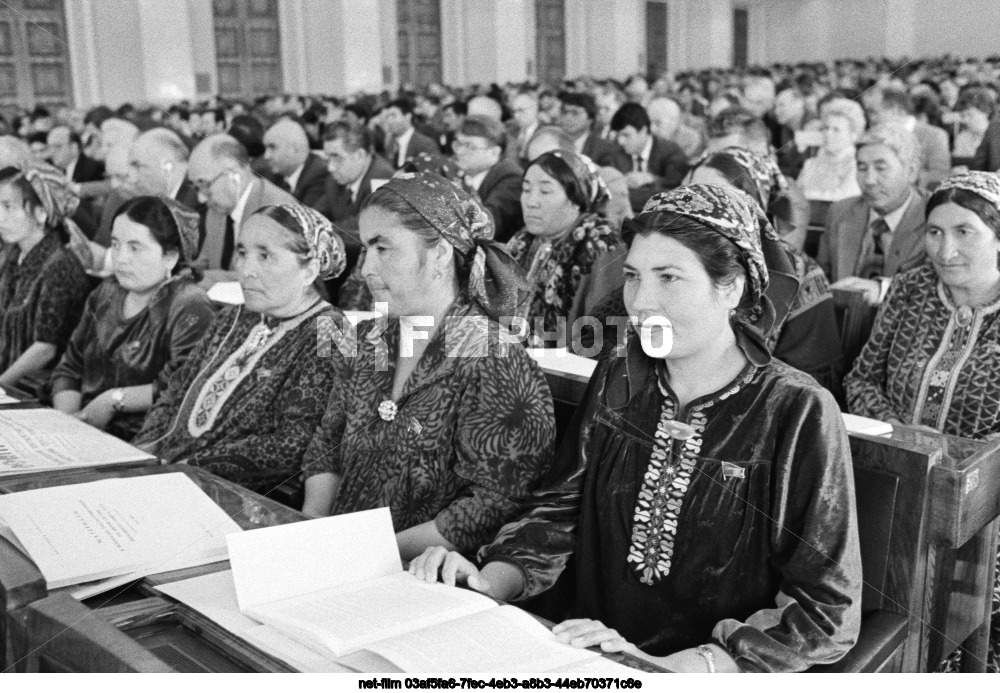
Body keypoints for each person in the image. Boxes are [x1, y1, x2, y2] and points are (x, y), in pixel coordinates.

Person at [410, 183, 862, 673]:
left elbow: (826, 608)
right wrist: (488, 582)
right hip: (577, 654)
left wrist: (683, 666)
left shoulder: (795, 409)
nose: (641, 301)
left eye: (669, 278)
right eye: (632, 276)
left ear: (731, 287)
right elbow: (558, 510)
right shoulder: (621, 371)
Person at [302, 170, 555, 558]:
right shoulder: (369, 338)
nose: (366, 268)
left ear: (439, 254)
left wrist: (368, 553)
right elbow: (328, 442)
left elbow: (490, 505)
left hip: (424, 578)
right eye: (365, 249)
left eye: (382, 249)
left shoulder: (494, 360)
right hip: (337, 557)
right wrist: (313, 529)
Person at [845, 171, 1000, 673]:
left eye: (964, 232)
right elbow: (862, 379)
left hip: (987, 504)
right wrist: (906, 439)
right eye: (934, 232)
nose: (945, 248)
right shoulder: (911, 290)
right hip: (896, 477)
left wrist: (965, 464)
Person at [134, 203, 349, 509]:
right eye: (243, 252)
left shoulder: (331, 332)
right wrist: (142, 452)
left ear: (310, 270)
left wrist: (185, 467)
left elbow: (292, 444)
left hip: (230, 498)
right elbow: (177, 390)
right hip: (167, 473)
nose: (246, 269)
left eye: (265, 255)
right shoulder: (234, 316)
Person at [687, 147, 846, 397]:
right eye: (693, 194)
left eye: (720, 195)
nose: (701, 207)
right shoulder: (674, 257)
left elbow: (810, 382)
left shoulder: (798, 274)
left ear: (756, 205)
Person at [50, 197, 214, 439]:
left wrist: (113, 400)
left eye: (135, 248)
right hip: (86, 427)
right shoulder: (107, 291)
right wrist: (71, 421)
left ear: (170, 257)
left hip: (148, 439)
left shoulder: (189, 303)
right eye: (115, 245)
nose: (121, 258)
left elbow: (182, 384)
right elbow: (71, 367)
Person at [506, 150, 624, 350]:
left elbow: (605, 336)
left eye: (545, 191)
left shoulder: (601, 247)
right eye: (526, 190)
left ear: (575, 199)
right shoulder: (521, 241)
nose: (531, 202)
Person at [0, 165, 90, 392]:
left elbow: (44, 349)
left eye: (8, 207)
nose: (0, 217)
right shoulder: (14, 255)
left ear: (41, 212)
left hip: (36, 388)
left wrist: (1, 386)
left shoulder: (59, 265)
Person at [818, 124, 928, 291]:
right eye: (862, 168)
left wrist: (883, 290)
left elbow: (937, 287)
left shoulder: (934, 217)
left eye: (880, 168)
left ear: (911, 171)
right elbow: (821, 281)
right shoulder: (840, 212)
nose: (869, 180)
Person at [187, 134, 296, 285]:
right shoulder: (217, 209)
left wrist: (204, 278)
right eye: (196, 187)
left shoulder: (277, 210)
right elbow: (206, 261)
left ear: (235, 175)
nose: (201, 198)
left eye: (205, 184)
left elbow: (264, 279)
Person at [453, 115, 523, 243]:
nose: (460, 152)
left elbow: (486, 227)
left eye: (470, 146)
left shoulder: (511, 178)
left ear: (494, 153)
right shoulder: (457, 172)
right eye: (458, 144)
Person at [863, 87, 950, 190]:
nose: (870, 119)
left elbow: (940, 174)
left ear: (895, 110)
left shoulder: (934, 135)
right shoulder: (871, 135)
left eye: (873, 112)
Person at [610, 102, 689, 212]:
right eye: (618, 135)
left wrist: (651, 179)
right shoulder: (616, 152)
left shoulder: (671, 152)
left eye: (626, 135)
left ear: (643, 130)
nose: (621, 141)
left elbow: (676, 194)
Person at [797, 100, 865, 203]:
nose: (828, 134)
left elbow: (845, 199)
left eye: (836, 130)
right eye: (826, 128)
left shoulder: (857, 165)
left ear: (853, 135)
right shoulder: (810, 164)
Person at [262, 118, 329, 208]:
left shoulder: (319, 175)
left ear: (295, 150)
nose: (266, 156)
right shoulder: (271, 174)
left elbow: (302, 218)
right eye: (266, 148)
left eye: (272, 148)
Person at [558, 91, 624, 169]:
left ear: (590, 119)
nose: (568, 118)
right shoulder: (551, 141)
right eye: (564, 112)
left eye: (575, 113)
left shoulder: (603, 149)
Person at [380, 97, 439, 169]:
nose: (389, 121)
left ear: (408, 116)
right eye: (387, 117)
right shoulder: (390, 144)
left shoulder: (425, 144)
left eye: (393, 116)